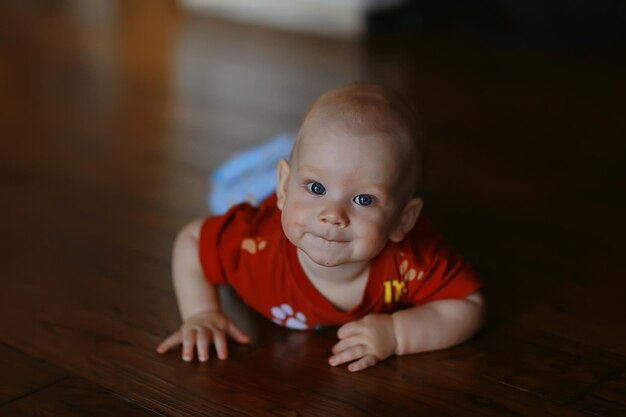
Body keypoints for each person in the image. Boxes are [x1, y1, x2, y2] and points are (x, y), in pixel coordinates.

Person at [156, 83, 486, 372]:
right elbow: (192, 239)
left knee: (325, 168)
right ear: (284, 188)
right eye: (317, 189)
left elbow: (468, 306)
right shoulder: (253, 245)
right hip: (263, 197)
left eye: (364, 200)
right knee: (230, 193)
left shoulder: (412, 261)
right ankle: (278, 162)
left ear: (404, 220)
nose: (333, 215)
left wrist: (397, 334)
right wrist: (201, 313)